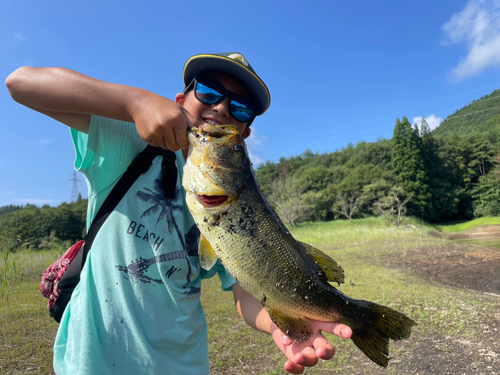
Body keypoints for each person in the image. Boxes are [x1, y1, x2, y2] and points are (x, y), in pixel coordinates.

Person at [6, 52, 352, 375]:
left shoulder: (245, 209)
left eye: (242, 107)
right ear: (180, 101)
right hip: (93, 360)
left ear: (243, 135)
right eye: (208, 90)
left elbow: (244, 292)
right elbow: (21, 83)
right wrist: (134, 102)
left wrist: (279, 324)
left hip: (183, 363)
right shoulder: (128, 143)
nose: (222, 107)